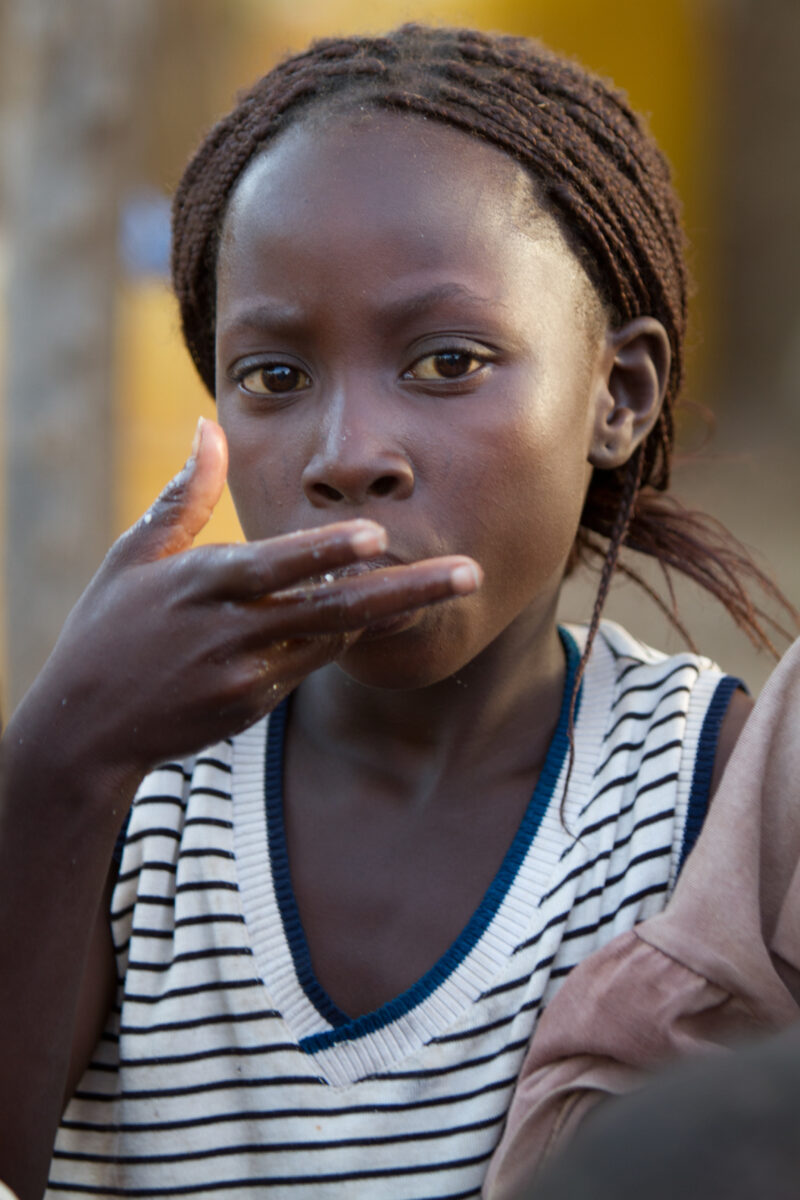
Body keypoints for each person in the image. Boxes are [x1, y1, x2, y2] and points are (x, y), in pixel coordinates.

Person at [0, 24, 793, 1200]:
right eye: (274, 377)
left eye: (446, 363)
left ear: (615, 395)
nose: (345, 455)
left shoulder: (722, 806)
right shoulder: (132, 800)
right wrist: (59, 756)